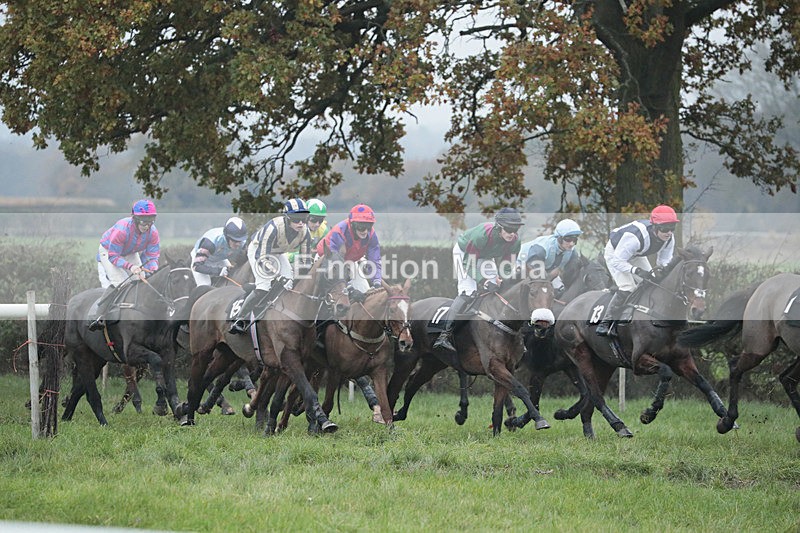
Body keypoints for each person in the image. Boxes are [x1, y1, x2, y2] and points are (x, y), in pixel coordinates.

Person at [433, 207, 524, 352]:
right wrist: (484, 281)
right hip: (464, 254)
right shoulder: (482, 235)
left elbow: (507, 266)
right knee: (469, 291)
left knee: (499, 288)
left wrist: (501, 278)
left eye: (515, 230)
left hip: (486, 255)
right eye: (508, 229)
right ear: (499, 226)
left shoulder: (515, 241)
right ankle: (444, 334)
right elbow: (468, 264)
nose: (512, 234)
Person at [229, 198, 312, 334]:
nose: (301, 222)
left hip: (278, 252)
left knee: (289, 283)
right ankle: (239, 319)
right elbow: (262, 257)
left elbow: (305, 260)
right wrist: (277, 274)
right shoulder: (273, 227)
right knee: (264, 286)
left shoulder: (305, 232)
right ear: (287, 218)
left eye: (304, 218)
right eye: (296, 219)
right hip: (258, 251)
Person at [595, 205, 679, 337]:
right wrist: (636, 270)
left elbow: (664, 262)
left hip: (636, 254)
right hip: (615, 254)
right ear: (655, 227)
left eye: (672, 228)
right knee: (628, 287)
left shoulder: (669, 239)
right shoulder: (634, 238)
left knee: (652, 282)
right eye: (665, 228)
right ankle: (605, 322)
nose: (669, 232)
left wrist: (661, 276)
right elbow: (617, 261)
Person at [89, 200, 160, 331]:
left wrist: (154, 268)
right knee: (122, 284)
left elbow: (152, 255)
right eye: (143, 221)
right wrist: (130, 266)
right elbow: (113, 256)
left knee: (141, 281)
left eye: (150, 221)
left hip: (129, 252)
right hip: (109, 251)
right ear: (135, 218)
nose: (146, 226)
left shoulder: (153, 232)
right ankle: (98, 316)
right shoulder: (122, 230)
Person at [316, 203, 383, 301]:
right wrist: (349, 288)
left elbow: (375, 260)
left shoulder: (371, 234)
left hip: (349, 261)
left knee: (365, 293)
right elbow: (335, 263)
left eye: (368, 226)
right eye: (360, 226)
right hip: (327, 260)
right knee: (339, 292)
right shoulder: (339, 232)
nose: (365, 231)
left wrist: (377, 282)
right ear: (352, 224)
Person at [518, 218, 582, 296]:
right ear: (559, 237)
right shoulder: (541, 249)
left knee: (560, 290)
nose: (572, 244)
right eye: (568, 239)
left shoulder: (572, 252)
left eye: (574, 240)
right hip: (522, 267)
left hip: (546, 271)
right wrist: (550, 277)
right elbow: (535, 275)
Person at [190, 216, 248, 286]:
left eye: (240, 240)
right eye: (235, 240)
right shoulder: (210, 243)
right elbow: (196, 266)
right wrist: (218, 271)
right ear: (227, 237)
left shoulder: (242, 243)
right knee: (206, 285)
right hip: (201, 261)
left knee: (233, 278)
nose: (238, 244)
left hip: (219, 258)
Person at [288, 198, 329, 266]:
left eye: (321, 220)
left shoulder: (323, 229)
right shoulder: (293, 228)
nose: (317, 224)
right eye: (314, 219)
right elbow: (285, 255)